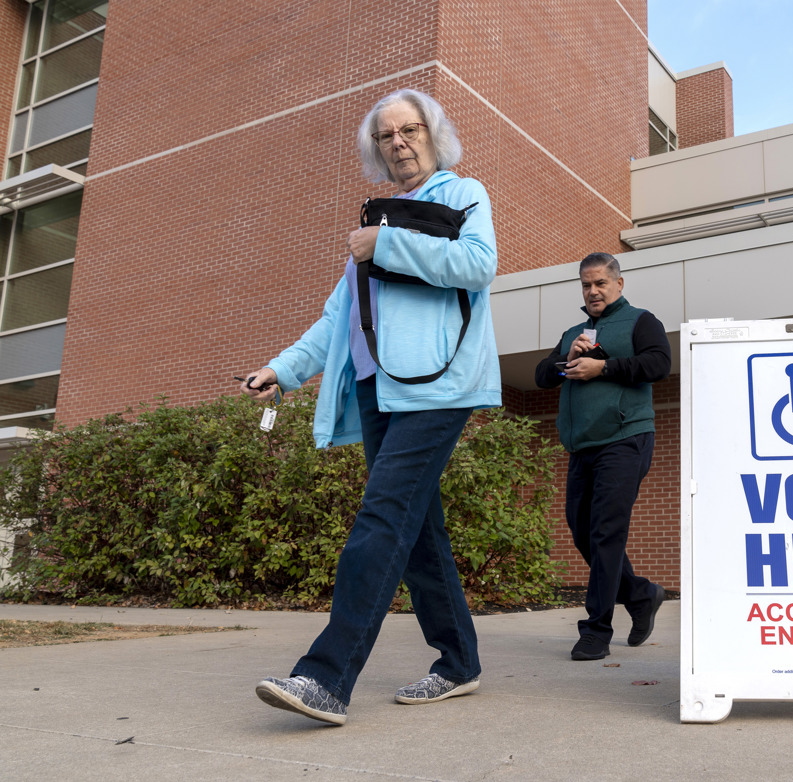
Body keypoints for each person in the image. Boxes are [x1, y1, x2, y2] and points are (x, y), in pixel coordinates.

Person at [242, 88, 500, 725]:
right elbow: (337, 319)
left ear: (433, 136)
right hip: (378, 388)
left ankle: (326, 679)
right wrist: (284, 369)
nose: (399, 142)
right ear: (377, 151)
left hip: (437, 388)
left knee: (381, 520)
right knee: (418, 534)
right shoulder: (374, 219)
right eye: (387, 136)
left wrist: (382, 246)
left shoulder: (463, 195)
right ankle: (459, 661)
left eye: (410, 129)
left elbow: (478, 265)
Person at [534, 253, 671, 660]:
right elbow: (543, 376)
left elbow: (659, 363)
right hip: (584, 446)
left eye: (600, 284)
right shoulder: (574, 331)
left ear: (618, 284)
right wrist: (566, 359)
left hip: (626, 438)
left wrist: (603, 367)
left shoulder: (641, 321)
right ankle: (642, 595)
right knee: (581, 529)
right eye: (586, 285)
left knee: (605, 531)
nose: (593, 292)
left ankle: (596, 631)